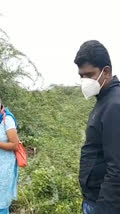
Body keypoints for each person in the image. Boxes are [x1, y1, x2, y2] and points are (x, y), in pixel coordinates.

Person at [74, 40, 120, 214]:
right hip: (93, 199)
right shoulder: (104, 100)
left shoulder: (114, 105)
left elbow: (116, 167)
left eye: (89, 75)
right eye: (81, 76)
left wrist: (103, 209)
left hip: (102, 205)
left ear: (106, 71)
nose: (84, 81)